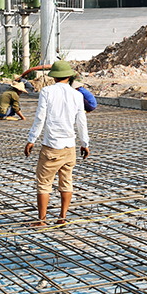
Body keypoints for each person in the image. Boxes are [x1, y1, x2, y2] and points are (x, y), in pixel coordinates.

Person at [24, 60, 89, 227]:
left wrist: (31, 139)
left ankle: (42, 220)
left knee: (44, 184)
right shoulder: (77, 95)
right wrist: (85, 143)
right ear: (69, 77)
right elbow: (81, 122)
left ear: (54, 77)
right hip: (70, 147)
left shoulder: (46, 91)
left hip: (51, 146)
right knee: (66, 181)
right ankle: (62, 217)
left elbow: (40, 118)